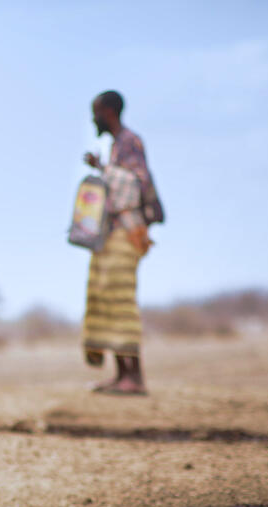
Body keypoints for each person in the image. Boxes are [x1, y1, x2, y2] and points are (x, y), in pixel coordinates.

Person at [81, 90, 162, 395]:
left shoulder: (130, 142)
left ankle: (135, 377)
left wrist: (102, 169)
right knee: (107, 298)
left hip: (128, 231)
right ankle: (121, 375)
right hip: (112, 233)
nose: (93, 119)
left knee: (120, 301)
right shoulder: (117, 146)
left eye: (96, 112)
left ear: (109, 112)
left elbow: (133, 186)